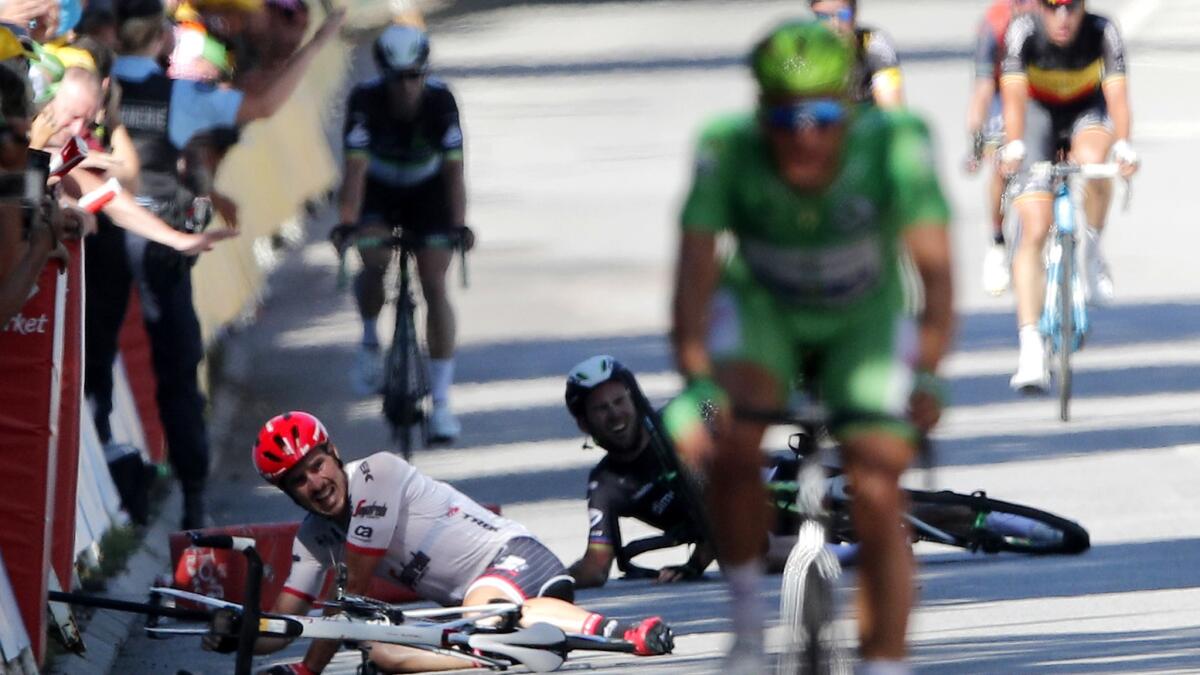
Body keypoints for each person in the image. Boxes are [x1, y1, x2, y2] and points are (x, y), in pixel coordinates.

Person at [670, 19, 954, 674]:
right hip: (765, 308)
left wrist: (930, 372)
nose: (806, 134)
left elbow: (936, 276)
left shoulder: (897, 142)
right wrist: (695, 382)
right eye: (786, 116)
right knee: (732, 443)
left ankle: (885, 660)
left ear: (852, 111)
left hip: (864, 317)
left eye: (826, 115)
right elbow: (694, 277)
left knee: (879, 479)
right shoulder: (726, 146)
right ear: (760, 110)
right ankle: (745, 628)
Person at [82, 0, 344, 529]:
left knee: (95, 360)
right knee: (177, 367)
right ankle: (194, 498)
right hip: (161, 236)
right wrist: (316, 44)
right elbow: (264, 104)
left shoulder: (90, 87)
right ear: (161, 38)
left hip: (99, 232)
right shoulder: (179, 93)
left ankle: (110, 469)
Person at [207, 411, 673, 674]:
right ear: (287, 493)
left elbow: (353, 592)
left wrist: (307, 671)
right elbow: (287, 621)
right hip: (467, 607)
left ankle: (623, 633)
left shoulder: (378, 473)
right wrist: (239, 633)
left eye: (316, 465)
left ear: (334, 454)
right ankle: (506, 653)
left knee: (487, 611)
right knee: (382, 652)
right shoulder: (314, 536)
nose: (316, 483)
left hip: (512, 558)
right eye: (297, 481)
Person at [331, 24, 472, 442]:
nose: (408, 87)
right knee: (373, 260)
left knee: (434, 283)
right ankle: (371, 340)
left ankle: (443, 403)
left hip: (427, 192)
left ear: (425, 72)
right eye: (398, 78)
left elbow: (454, 172)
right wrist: (347, 224)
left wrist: (459, 225)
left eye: (415, 76)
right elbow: (354, 172)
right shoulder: (365, 101)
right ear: (384, 75)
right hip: (379, 190)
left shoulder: (442, 102)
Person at [998, 0, 1138, 392]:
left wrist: (1124, 145)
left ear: (1083, 8)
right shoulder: (1023, 31)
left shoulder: (1102, 30)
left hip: (1084, 114)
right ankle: (1030, 349)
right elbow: (1012, 96)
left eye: (1071, 8)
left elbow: (1117, 96)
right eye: (1052, 7)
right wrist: (1013, 145)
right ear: (1040, 8)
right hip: (1036, 117)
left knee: (1096, 160)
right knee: (1035, 228)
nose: (1063, 17)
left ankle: (1091, 251)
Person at [562, 355, 716, 588]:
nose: (615, 414)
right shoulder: (606, 485)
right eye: (601, 408)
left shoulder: (678, 418)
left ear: (634, 400)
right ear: (584, 424)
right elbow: (596, 566)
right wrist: (548, 577)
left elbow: (726, 397)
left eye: (619, 401)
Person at [965, 0, 1037, 297]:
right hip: (1002, 94)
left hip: (1042, 89)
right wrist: (976, 140)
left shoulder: (1053, 14)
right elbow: (983, 90)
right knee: (1000, 165)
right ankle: (997, 240)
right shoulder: (994, 23)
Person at [809, 0, 903, 108]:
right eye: (822, 16)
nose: (834, 24)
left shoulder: (873, 42)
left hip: (864, 121)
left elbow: (891, 108)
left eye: (843, 15)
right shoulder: (800, 48)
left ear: (855, 12)